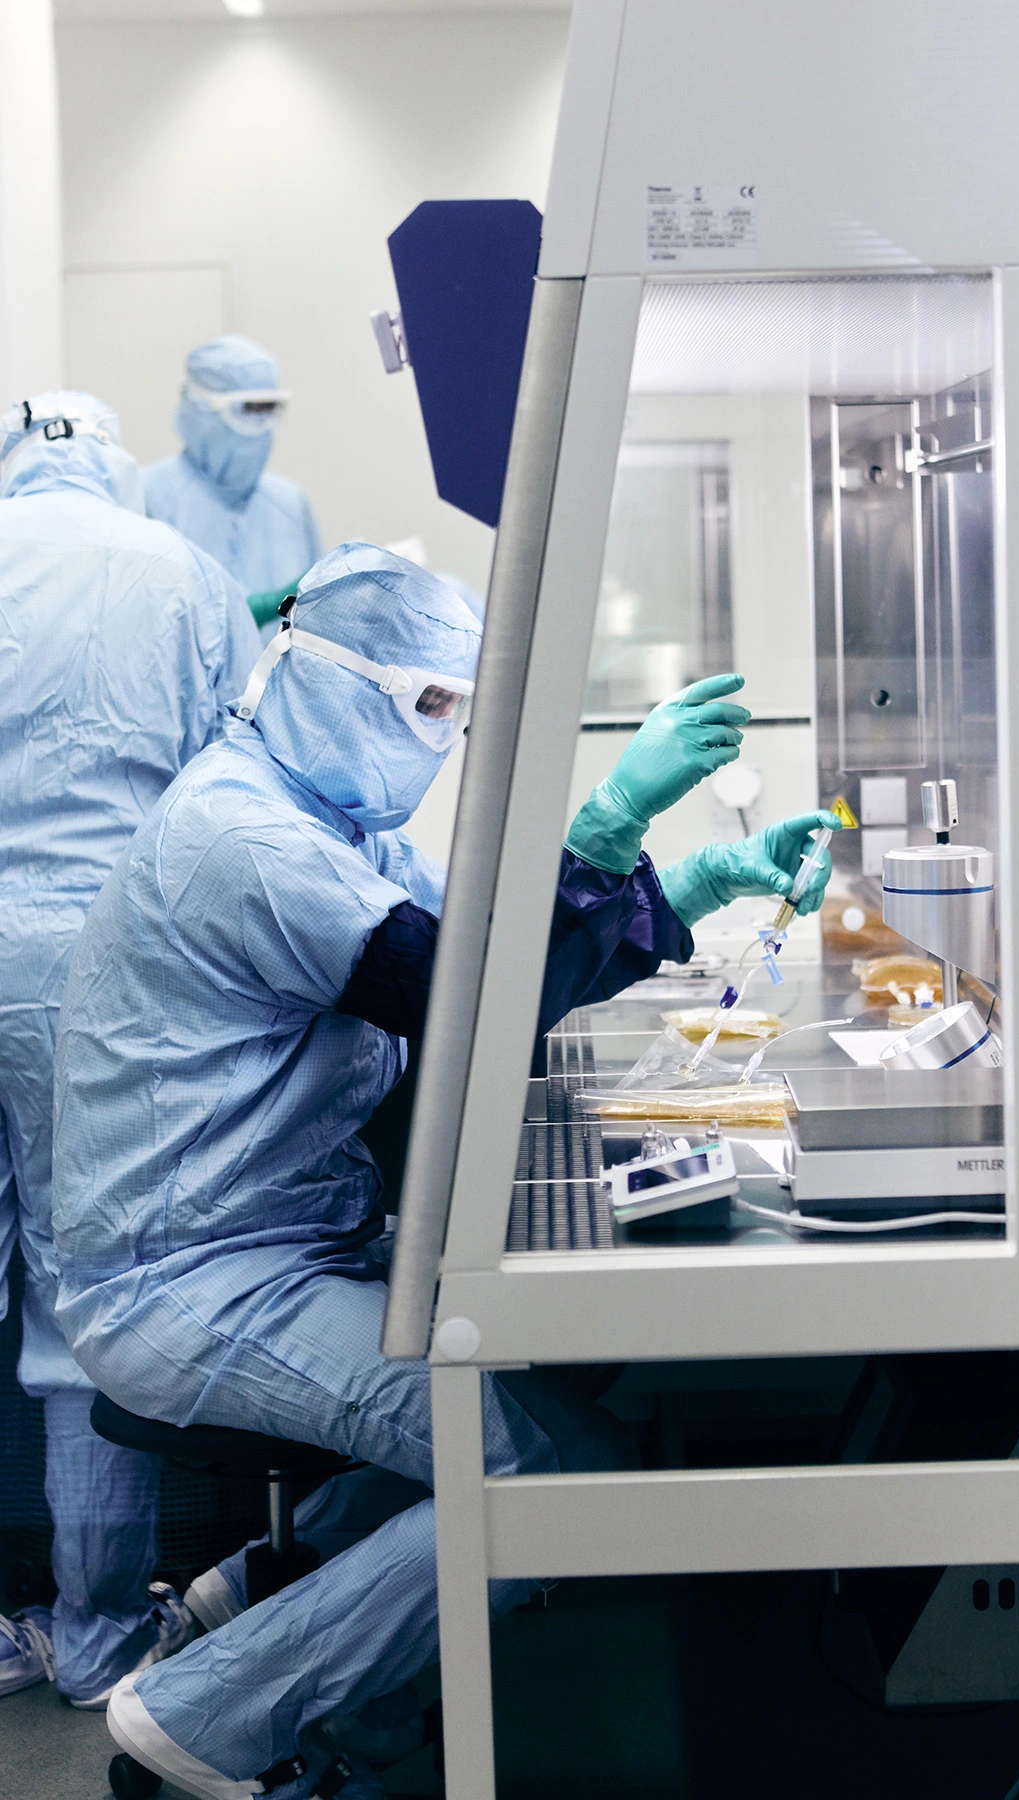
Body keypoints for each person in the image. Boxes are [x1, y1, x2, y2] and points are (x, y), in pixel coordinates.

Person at [51, 543, 836, 1797]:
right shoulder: (243, 834)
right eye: (428, 703)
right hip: (187, 1280)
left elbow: (492, 939)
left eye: (455, 709)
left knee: (557, 1421)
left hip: (277, 1242)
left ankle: (269, 1590)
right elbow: (462, 995)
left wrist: (687, 881)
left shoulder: (330, 818)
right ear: (321, 676)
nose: (442, 736)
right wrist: (613, 825)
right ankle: (199, 1723)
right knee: (540, 1472)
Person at [0, 394, 260, 1708]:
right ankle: (95, 1634)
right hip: (96, 974)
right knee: (79, 1308)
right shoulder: (184, 573)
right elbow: (245, 786)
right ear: (114, 462)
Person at [143, 335, 321, 629]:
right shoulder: (147, 496)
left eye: (269, 409)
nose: (260, 427)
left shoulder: (290, 502)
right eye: (248, 409)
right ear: (199, 409)